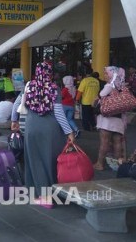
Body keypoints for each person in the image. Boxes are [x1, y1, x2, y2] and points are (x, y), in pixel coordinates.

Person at [24, 62, 74, 207]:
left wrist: (15, 121)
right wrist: (69, 131)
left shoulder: (30, 86)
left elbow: (20, 105)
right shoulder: (54, 88)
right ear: (50, 73)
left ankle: (39, 194)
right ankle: (51, 195)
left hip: (32, 127)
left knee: (34, 161)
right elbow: (58, 113)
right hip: (50, 130)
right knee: (50, 160)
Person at [94, 66, 127, 171]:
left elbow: (101, 96)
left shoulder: (109, 86)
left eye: (106, 73)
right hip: (119, 118)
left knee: (104, 142)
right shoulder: (122, 86)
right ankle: (118, 165)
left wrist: (97, 99)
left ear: (112, 75)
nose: (105, 75)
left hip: (107, 119)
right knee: (117, 142)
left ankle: (100, 164)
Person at [76, 67, 100, 131]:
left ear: (85, 73)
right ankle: (94, 125)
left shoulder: (84, 80)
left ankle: (87, 128)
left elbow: (80, 92)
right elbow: (98, 91)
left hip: (86, 101)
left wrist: (77, 99)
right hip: (94, 102)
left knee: (85, 116)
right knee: (92, 115)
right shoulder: (96, 81)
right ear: (92, 73)